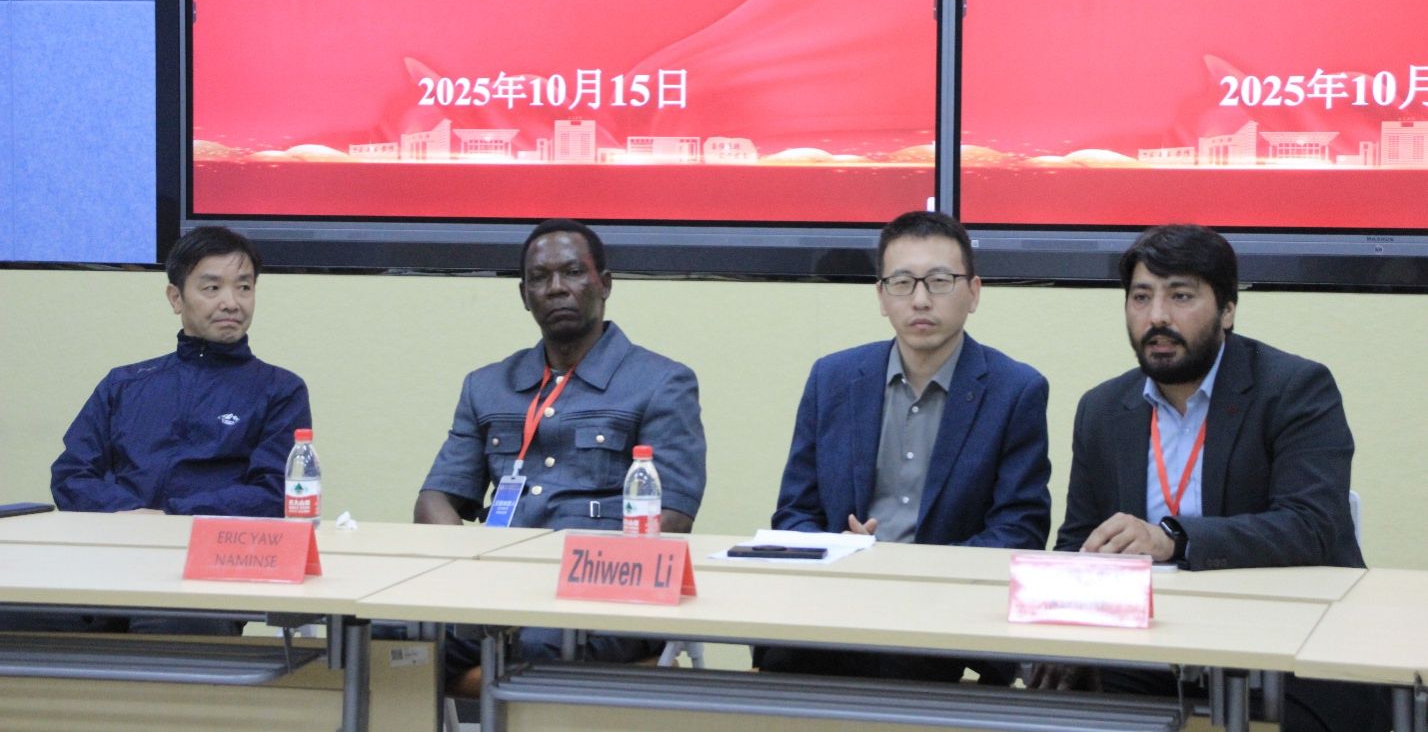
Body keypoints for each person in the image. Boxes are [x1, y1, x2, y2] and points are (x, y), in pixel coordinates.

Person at [1040, 223, 1387, 731]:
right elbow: (1079, 542)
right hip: (1154, 653)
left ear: (1227, 310)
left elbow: (1311, 526)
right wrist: (1063, 637)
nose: (1157, 317)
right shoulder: (1103, 409)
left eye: (1180, 296)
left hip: (1285, 649)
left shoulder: (1295, 389)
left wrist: (1172, 540)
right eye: (1141, 297)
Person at [415, 218, 707, 693]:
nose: (555, 288)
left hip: (604, 598)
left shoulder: (661, 382)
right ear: (524, 294)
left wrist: (583, 579)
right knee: (392, 634)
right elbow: (435, 500)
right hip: (498, 593)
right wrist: (470, 573)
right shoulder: (486, 386)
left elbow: (671, 517)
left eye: (572, 272)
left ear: (604, 284)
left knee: (541, 643)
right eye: (539, 277)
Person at [764, 210, 1052, 682]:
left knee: (897, 664)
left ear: (974, 292)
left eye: (939, 281)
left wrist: (912, 571)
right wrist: (836, 549)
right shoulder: (832, 379)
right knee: (779, 662)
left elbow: (1019, 530)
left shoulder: (1015, 390)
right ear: (881, 296)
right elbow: (794, 513)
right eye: (902, 283)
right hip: (839, 601)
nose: (920, 299)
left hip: (948, 611)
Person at [20, 226, 312, 636]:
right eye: (212, 287)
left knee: (170, 622)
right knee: (21, 612)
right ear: (176, 298)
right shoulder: (124, 384)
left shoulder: (279, 389)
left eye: (244, 287)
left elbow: (274, 493)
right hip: (110, 559)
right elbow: (71, 475)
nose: (231, 302)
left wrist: (171, 516)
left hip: (205, 568)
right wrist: (129, 515)